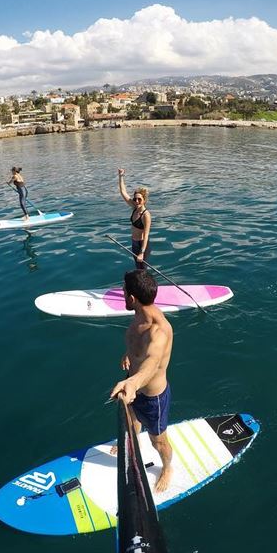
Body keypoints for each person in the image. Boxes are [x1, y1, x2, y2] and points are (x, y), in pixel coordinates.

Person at [110, 270, 174, 493]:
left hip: (152, 397)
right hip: (134, 384)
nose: (122, 293)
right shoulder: (140, 314)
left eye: (124, 291)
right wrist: (129, 354)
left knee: (159, 441)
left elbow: (153, 363)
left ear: (132, 298)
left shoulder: (159, 332)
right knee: (132, 420)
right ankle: (132, 442)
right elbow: (139, 348)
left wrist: (133, 383)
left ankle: (167, 468)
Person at [117, 168, 151, 269]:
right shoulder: (134, 207)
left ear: (144, 200)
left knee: (142, 269)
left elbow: (146, 234)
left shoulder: (146, 215)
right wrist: (121, 176)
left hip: (142, 245)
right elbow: (123, 192)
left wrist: (142, 252)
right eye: (135, 199)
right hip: (134, 243)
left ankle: (147, 284)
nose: (136, 201)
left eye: (139, 199)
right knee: (138, 267)